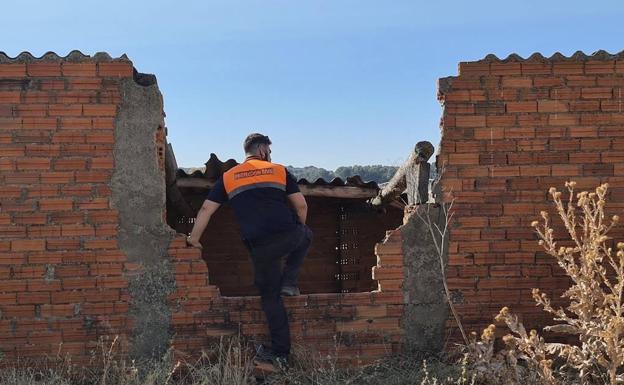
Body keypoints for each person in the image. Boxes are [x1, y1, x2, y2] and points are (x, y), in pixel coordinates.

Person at [186, 133, 312, 367]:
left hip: (259, 248)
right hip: (287, 236)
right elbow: (301, 205)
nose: (271, 156)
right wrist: (298, 228)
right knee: (306, 235)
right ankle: (290, 282)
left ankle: (281, 354)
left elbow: (205, 209)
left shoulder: (229, 177)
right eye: (270, 152)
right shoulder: (279, 170)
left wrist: (194, 239)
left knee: (271, 299)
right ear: (263, 151)